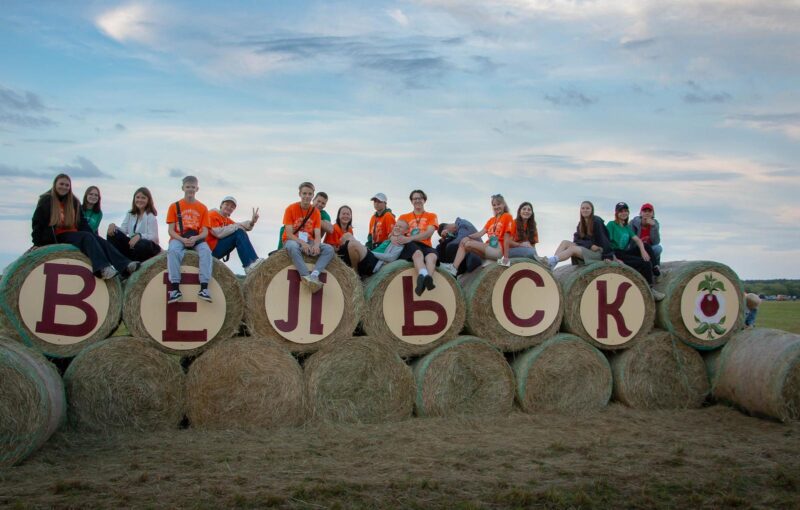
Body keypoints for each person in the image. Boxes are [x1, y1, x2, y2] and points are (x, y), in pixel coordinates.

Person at [31, 174, 138, 279]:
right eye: (61, 184)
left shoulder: (74, 201)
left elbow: (82, 223)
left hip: (73, 234)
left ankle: (125, 266)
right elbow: (37, 222)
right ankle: (102, 269)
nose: (64, 187)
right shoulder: (46, 200)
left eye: (67, 185)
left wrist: (95, 238)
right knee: (87, 237)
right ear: (55, 184)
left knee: (97, 239)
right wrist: (37, 243)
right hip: (56, 236)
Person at [165, 176, 213, 303]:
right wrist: (182, 239)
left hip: (196, 237)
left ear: (197, 189)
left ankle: (204, 288)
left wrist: (196, 238)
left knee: (206, 252)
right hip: (178, 237)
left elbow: (205, 232)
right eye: (188, 187)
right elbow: (170, 230)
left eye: (193, 187)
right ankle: (175, 289)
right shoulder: (174, 206)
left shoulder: (203, 208)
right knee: (173, 251)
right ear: (183, 188)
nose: (190, 189)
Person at [282, 181, 335, 293]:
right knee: (293, 246)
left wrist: (316, 245)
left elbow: (317, 234)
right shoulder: (290, 209)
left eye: (310, 194)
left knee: (329, 249)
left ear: (312, 195)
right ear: (300, 194)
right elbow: (289, 234)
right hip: (292, 240)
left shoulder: (316, 212)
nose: (307, 196)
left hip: (309, 241)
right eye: (304, 193)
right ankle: (306, 276)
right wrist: (303, 243)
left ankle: (314, 274)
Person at [443, 194, 515, 276]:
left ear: (504, 204)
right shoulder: (491, 220)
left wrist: (506, 257)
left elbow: (506, 238)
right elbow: (480, 233)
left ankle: (454, 268)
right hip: (489, 247)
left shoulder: (507, 217)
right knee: (464, 241)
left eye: (499, 204)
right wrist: (468, 237)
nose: (496, 207)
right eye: (494, 205)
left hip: (498, 249)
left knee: (468, 244)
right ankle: (454, 268)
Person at [606, 202, 664, 301]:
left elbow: (638, 240)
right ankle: (650, 290)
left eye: (625, 211)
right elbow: (606, 242)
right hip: (616, 253)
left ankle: (656, 271)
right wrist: (614, 258)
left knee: (645, 245)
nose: (623, 213)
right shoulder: (612, 224)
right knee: (644, 263)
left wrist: (643, 250)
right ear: (616, 213)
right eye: (621, 211)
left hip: (624, 252)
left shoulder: (626, 227)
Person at [546, 201, 613, 269]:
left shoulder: (597, 221)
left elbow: (604, 239)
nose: (585, 210)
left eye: (587, 208)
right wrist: (589, 245)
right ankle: (551, 266)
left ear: (592, 210)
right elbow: (576, 240)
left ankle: (548, 261)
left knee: (572, 249)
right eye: (583, 208)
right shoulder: (581, 223)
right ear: (580, 210)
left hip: (598, 252)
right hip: (588, 248)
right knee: (565, 242)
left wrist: (608, 256)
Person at [397, 189, 439, 296]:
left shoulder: (431, 215)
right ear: (411, 201)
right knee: (418, 254)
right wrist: (399, 238)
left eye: (420, 198)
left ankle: (426, 280)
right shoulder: (403, 217)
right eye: (414, 198)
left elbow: (428, 233)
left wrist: (410, 238)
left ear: (424, 200)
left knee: (432, 256)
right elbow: (396, 231)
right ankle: (425, 276)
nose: (417, 200)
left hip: (425, 244)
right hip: (410, 245)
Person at [207, 196, 263, 274]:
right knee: (238, 232)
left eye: (232, 207)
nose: (229, 207)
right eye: (227, 204)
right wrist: (236, 226)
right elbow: (217, 233)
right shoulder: (212, 214)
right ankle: (249, 264)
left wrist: (252, 222)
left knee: (240, 232)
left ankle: (252, 262)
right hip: (208, 250)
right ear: (221, 205)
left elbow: (241, 226)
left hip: (216, 249)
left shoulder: (227, 220)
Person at [107, 187, 162, 262]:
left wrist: (140, 236)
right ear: (134, 199)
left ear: (148, 200)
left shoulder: (150, 216)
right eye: (137, 197)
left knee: (142, 244)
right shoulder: (130, 213)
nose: (140, 200)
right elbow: (124, 230)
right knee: (112, 234)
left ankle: (137, 264)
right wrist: (113, 226)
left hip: (148, 247)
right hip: (133, 246)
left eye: (143, 198)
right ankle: (122, 263)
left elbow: (154, 237)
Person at [342, 220, 409, 277]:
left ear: (406, 231)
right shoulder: (391, 239)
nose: (397, 228)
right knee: (347, 235)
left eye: (400, 227)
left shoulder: (400, 243)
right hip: (371, 255)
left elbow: (391, 257)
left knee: (353, 245)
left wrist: (371, 252)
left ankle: (355, 275)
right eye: (396, 226)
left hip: (375, 263)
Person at [630, 203, 662, 269]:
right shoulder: (633, 223)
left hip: (650, 251)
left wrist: (653, 227)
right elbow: (630, 240)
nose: (647, 213)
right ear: (640, 213)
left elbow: (656, 242)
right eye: (645, 211)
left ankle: (654, 267)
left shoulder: (655, 224)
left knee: (658, 248)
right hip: (636, 249)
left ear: (653, 214)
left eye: (649, 211)